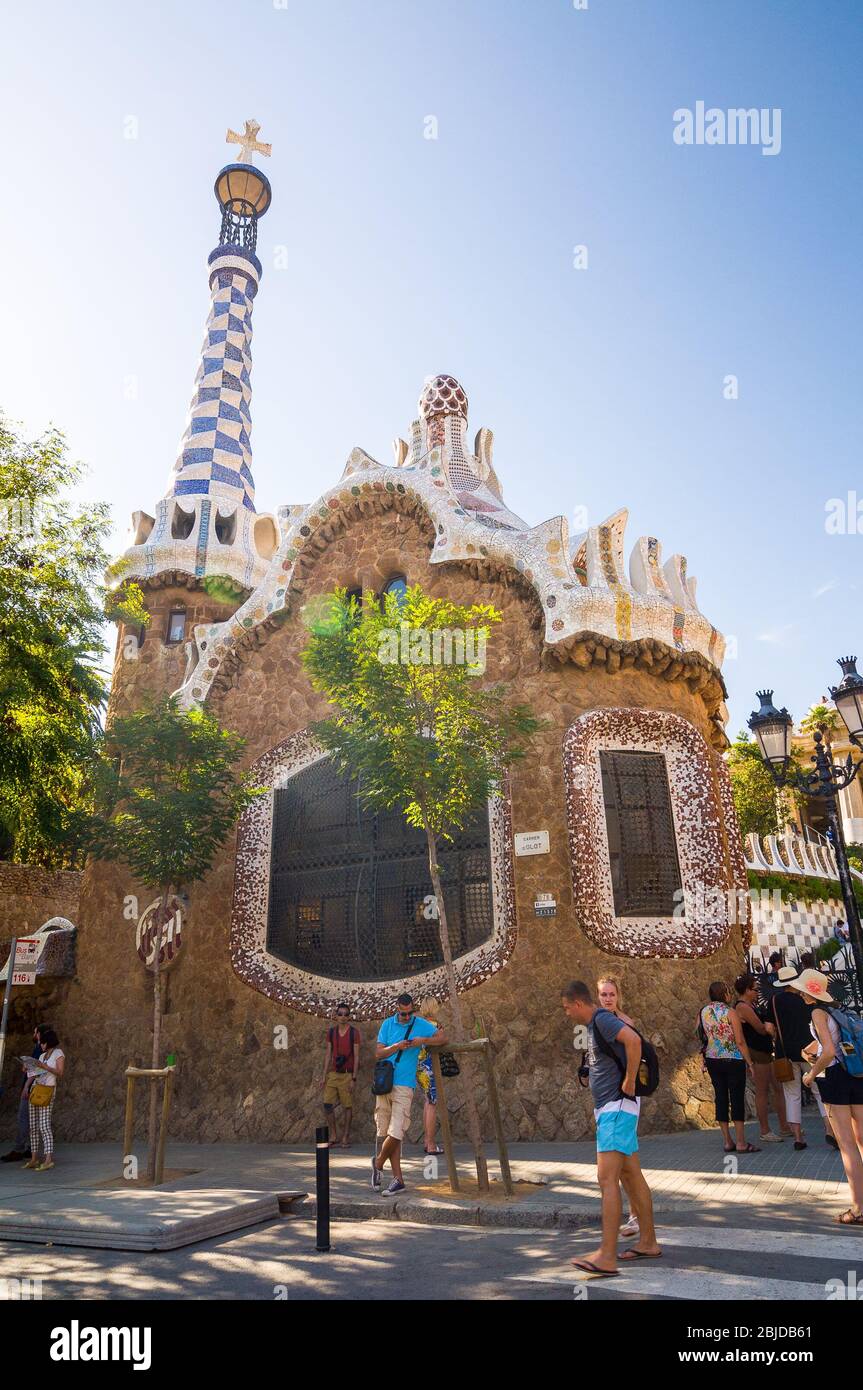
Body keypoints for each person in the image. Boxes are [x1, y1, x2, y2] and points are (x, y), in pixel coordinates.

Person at [562, 980, 660, 1277]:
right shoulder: (596, 1024)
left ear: (578, 1003)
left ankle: (606, 1255)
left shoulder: (602, 1019)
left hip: (616, 1107)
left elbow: (633, 1041)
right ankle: (648, 1241)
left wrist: (629, 1080)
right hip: (616, 1108)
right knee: (631, 1176)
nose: (566, 1013)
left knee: (607, 1179)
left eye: (567, 1008)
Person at [791, 968, 863, 1224]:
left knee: (847, 1146)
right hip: (856, 1074)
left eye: (801, 990)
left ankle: (857, 1208)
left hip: (834, 1078)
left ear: (808, 992)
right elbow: (832, 1041)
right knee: (862, 1140)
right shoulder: (838, 1008)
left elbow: (829, 1052)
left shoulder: (817, 1012)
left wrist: (811, 1074)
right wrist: (811, 1049)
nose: (799, 994)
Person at [372, 993, 446, 1196]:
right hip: (385, 1082)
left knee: (397, 1131)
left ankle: (378, 1163)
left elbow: (442, 1038)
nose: (405, 1017)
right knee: (388, 1133)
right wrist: (396, 1047)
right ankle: (398, 1180)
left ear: (413, 1010)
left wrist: (423, 1040)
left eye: (408, 1013)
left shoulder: (421, 1024)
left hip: (405, 1085)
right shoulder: (387, 1024)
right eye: (402, 1014)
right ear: (397, 1009)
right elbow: (378, 1053)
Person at [597, 975, 639, 1240]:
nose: (608, 998)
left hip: (621, 1099)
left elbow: (634, 1051)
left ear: (618, 995)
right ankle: (639, 1223)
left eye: (611, 994)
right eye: (603, 994)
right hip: (607, 1101)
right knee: (627, 1166)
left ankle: (633, 1219)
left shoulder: (625, 1023)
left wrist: (629, 1081)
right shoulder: (598, 1022)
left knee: (615, 1169)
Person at [699, 981, 758, 1153]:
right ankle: (741, 1142)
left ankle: (727, 1141)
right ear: (725, 994)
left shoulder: (703, 1012)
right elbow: (739, 1040)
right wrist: (750, 1062)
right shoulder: (730, 1012)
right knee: (737, 1098)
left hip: (713, 1058)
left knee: (721, 1098)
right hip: (733, 1058)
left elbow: (700, 1035)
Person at [735, 972, 793, 1143]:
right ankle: (765, 1130)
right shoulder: (742, 1007)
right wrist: (768, 1027)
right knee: (762, 1091)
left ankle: (785, 1126)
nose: (757, 992)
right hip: (757, 1052)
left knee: (778, 1088)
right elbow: (761, 1028)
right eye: (755, 989)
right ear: (746, 990)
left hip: (765, 1050)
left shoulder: (752, 1005)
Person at [769, 966, 815, 1150]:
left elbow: (769, 1028)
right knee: (821, 1092)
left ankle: (798, 1138)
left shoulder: (773, 1001)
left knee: (792, 1095)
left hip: (785, 1052)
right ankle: (830, 1130)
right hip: (808, 1049)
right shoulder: (804, 999)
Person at [22, 1026, 65, 1171]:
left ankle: (48, 1159)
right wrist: (27, 1081)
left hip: (48, 1091)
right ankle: (34, 1158)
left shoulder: (58, 1053)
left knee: (44, 1125)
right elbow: (34, 1074)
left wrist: (44, 1067)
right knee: (33, 1126)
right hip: (36, 1088)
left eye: (43, 1042)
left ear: (49, 1042)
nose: (41, 1044)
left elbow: (60, 1072)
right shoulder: (41, 1056)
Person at [1, 1025, 45, 1163]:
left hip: (31, 1088)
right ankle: (31, 1148)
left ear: (39, 1034)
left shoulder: (40, 1049)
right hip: (37, 1088)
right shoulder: (42, 1049)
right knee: (33, 1120)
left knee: (23, 1118)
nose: (33, 1033)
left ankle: (19, 1149)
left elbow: (36, 1069)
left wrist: (26, 1086)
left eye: (35, 1031)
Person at [321, 1002, 360, 1147]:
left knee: (347, 1106)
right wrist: (324, 1075)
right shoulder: (331, 1032)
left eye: (346, 1014)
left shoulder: (354, 1033)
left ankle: (345, 1137)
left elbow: (357, 1056)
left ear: (349, 1017)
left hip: (346, 1075)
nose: (343, 1017)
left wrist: (353, 1079)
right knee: (327, 1104)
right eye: (340, 1014)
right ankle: (333, 1134)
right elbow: (328, 1054)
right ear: (335, 1016)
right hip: (333, 1073)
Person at [416, 997, 444, 1156]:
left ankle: (427, 1141)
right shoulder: (435, 1026)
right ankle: (431, 1144)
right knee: (432, 1103)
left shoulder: (418, 1025)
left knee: (428, 1102)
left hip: (419, 1067)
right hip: (429, 1067)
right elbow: (441, 1041)